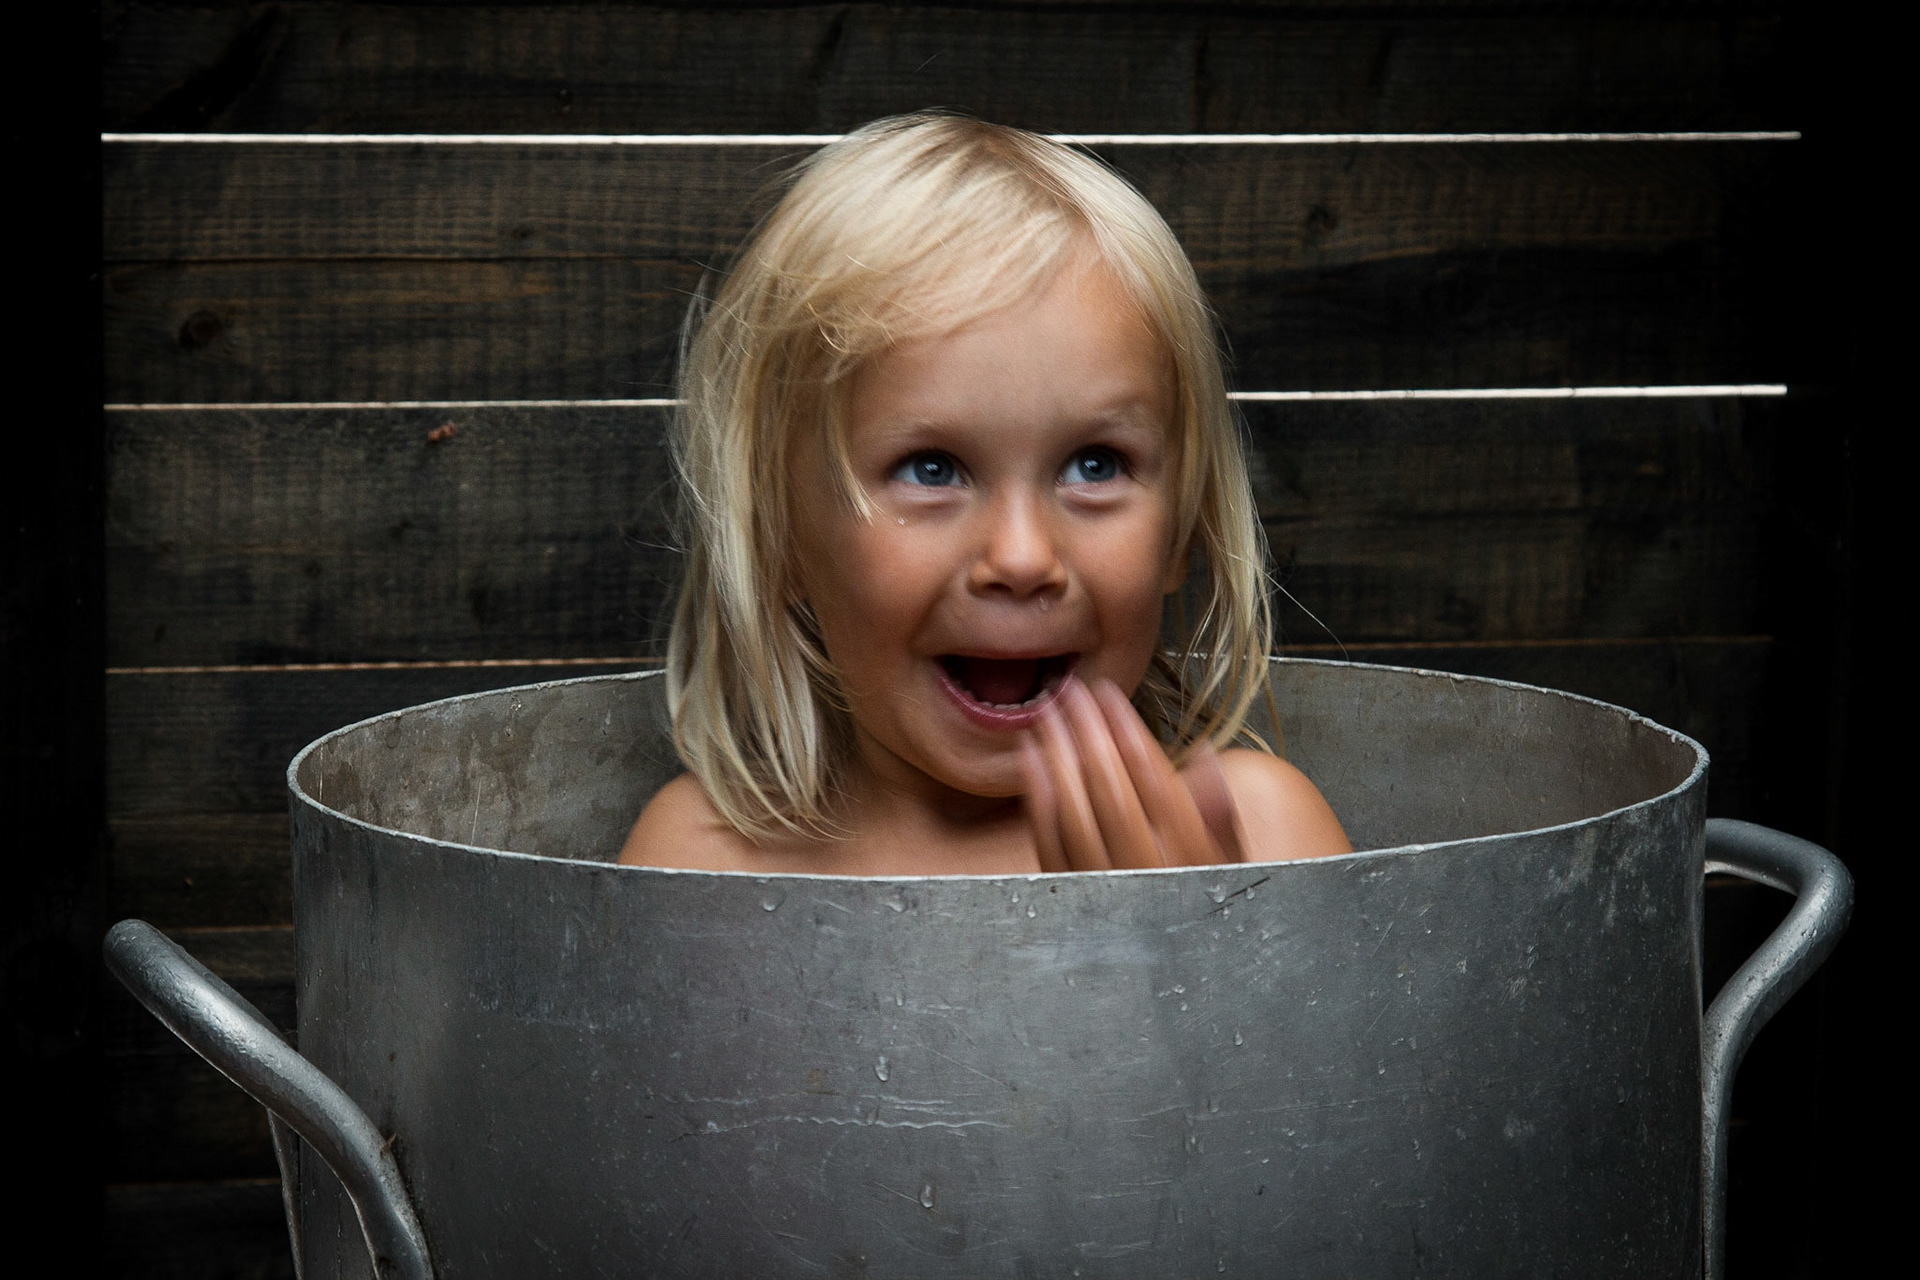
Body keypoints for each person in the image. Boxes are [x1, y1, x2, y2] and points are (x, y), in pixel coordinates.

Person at [620, 113, 1349, 876]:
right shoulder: (703, 860)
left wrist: (1200, 924)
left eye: (1094, 465)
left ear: (1182, 530)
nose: (1023, 558)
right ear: (781, 539)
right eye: (932, 469)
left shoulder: (1262, 831)